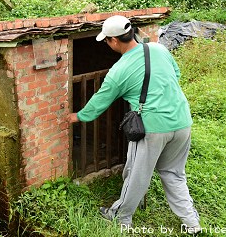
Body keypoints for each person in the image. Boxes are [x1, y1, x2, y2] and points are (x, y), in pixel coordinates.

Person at [68, 15, 201, 234]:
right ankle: (192, 223)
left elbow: (100, 100)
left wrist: (78, 116)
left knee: (137, 175)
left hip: (152, 128)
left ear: (113, 41)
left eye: (107, 41)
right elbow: (175, 74)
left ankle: (121, 217)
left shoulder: (119, 71)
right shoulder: (158, 49)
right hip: (182, 120)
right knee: (174, 173)